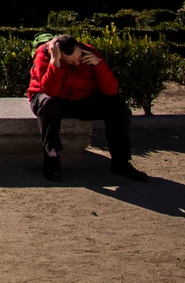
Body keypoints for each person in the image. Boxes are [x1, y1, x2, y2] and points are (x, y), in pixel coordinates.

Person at [28, 33, 148, 183]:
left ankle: (121, 162)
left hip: (82, 99)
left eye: (79, 58)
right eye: (71, 62)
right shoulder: (43, 55)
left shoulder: (89, 52)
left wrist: (99, 65)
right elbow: (50, 91)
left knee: (116, 105)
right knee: (48, 104)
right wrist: (55, 62)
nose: (78, 63)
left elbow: (111, 90)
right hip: (53, 99)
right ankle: (52, 158)